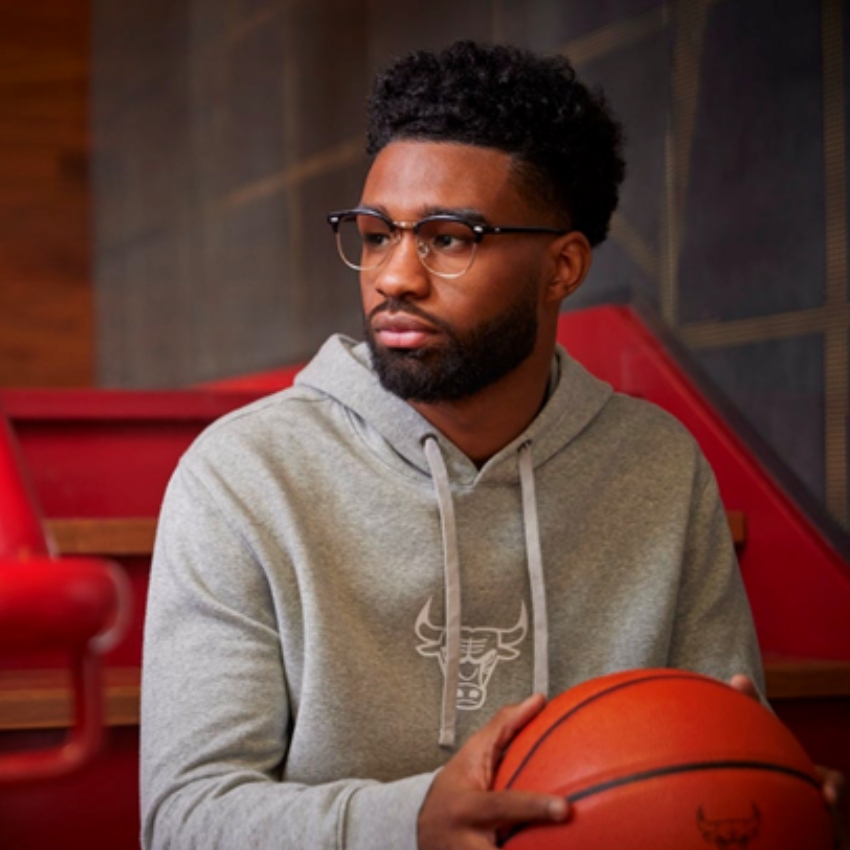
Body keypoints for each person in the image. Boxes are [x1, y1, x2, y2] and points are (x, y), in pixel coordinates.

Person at [140, 40, 839, 850]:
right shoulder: (242, 476)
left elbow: (719, 751)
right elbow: (183, 820)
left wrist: (769, 793)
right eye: (376, 234)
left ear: (562, 267)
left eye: (449, 238)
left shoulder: (658, 465)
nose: (394, 276)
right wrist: (410, 823)